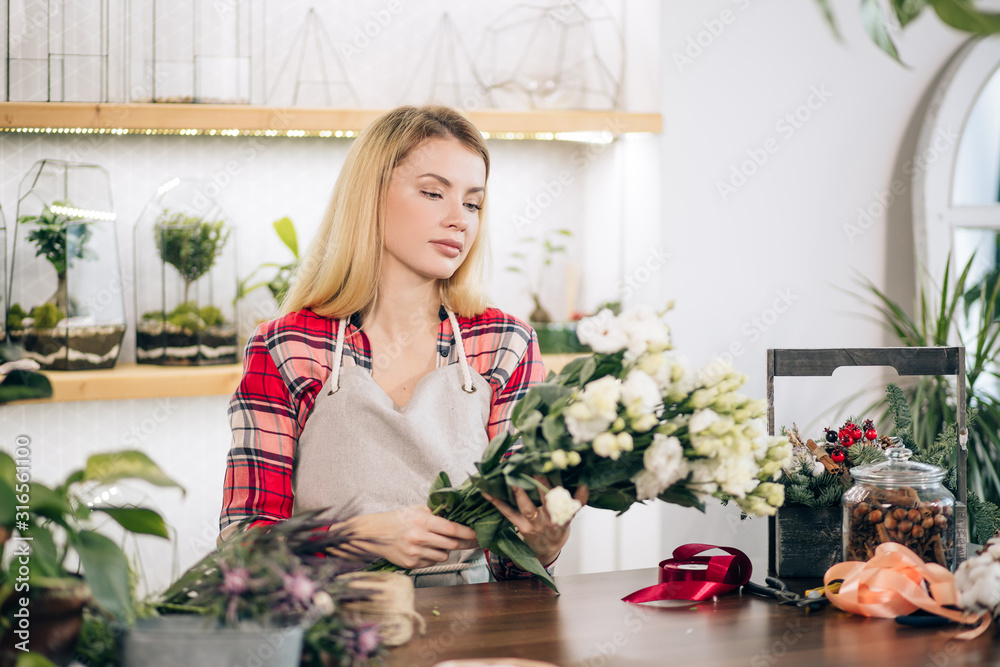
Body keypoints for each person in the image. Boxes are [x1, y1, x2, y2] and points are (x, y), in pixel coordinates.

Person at [219, 104, 588, 586]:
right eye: (434, 193)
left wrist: (541, 545)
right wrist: (356, 538)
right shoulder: (286, 347)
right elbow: (241, 546)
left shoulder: (503, 345)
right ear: (369, 198)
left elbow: (514, 573)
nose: (460, 220)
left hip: (468, 639)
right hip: (330, 632)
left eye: (473, 203)